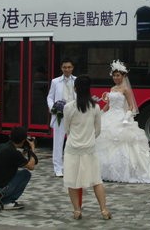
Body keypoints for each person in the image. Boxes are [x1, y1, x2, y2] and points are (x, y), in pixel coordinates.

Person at [95, 60, 150, 184]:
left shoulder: (125, 89)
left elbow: (131, 106)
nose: (115, 78)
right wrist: (100, 114)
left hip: (121, 116)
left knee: (124, 142)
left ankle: (125, 171)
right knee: (106, 142)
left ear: (123, 76)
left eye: (118, 75)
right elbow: (108, 105)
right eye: (114, 75)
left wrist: (126, 118)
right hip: (110, 116)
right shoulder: (112, 88)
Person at [63, 75, 111, 220]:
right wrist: (88, 138)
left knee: (72, 181)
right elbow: (98, 130)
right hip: (89, 148)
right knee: (97, 180)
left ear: (75, 89)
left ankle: (77, 210)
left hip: (72, 148)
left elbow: (67, 129)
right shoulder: (95, 107)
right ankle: (104, 210)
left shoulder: (68, 107)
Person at [46, 58, 76, 177]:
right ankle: (58, 168)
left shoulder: (76, 80)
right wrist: (53, 108)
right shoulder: (55, 81)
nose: (67, 69)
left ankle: (71, 166)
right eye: (64, 67)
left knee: (73, 141)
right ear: (61, 68)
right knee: (58, 142)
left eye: (69, 67)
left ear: (72, 68)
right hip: (60, 114)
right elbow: (50, 97)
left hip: (74, 114)